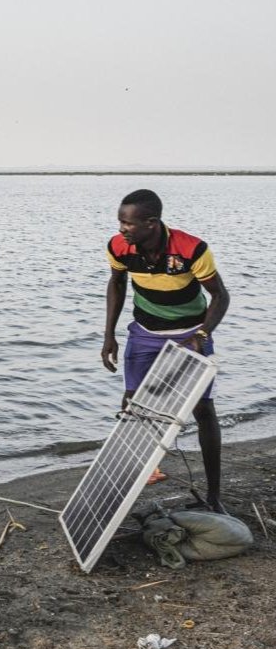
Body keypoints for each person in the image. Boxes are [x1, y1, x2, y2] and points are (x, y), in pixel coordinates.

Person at [101, 189, 230, 513]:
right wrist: (109, 336)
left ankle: (214, 497)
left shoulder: (191, 248)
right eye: (120, 221)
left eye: (128, 223)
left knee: (203, 409)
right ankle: (135, 475)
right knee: (133, 402)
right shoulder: (119, 247)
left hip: (190, 333)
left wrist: (202, 334)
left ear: (151, 223)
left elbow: (220, 296)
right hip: (144, 332)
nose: (121, 228)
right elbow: (116, 284)